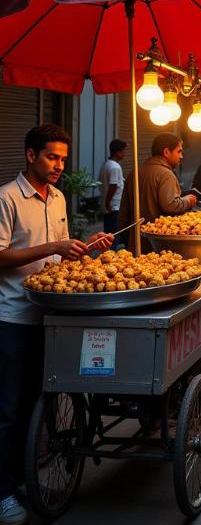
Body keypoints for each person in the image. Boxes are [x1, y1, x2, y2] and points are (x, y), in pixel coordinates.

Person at [0, 125, 112, 525]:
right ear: (31, 155)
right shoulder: (7, 197)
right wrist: (53, 247)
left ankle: (28, 477)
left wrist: (88, 249)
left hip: (52, 316)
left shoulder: (60, 197)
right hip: (13, 317)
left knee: (38, 402)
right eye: (52, 157)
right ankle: (3, 492)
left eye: (63, 159)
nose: (59, 166)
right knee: (9, 409)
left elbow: (61, 260)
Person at [119, 134, 197, 246]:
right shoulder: (166, 174)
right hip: (158, 242)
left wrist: (127, 239)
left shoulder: (134, 173)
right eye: (179, 152)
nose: (181, 156)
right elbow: (171, 205)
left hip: (135, 241)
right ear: (166, 152)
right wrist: (188, 201)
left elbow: (123, 214)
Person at [99, 138, 126, 245]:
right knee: (114, 235)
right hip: (114, 207)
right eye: (123, 151)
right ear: (118, 152)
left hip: (109, 207)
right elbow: (113, 185)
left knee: (108, 233)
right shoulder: (115, 167)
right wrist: (108, 203)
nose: (124, 154)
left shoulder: (106, 164)